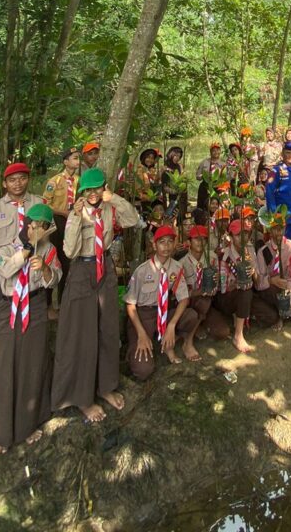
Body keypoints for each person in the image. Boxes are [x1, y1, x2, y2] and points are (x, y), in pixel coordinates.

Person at [51, 168, 139, 423]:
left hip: (105, 267)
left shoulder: (109, 208)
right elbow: (69, 251)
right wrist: (76, 217)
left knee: (107, 329)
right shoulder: (77, 212)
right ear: (82, 191)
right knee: (82, 334)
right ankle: (82, 398)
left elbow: (132, 220)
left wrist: (115, 198)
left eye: (97, 188)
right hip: (82, 270)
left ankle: (106, 386)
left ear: (104, 188)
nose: (93, 193)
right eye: (88, 189)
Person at [0, 202, 61, 453]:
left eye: (43, 226)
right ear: (26, 225)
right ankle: (3, 433)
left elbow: (56, 279)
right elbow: (4, 269)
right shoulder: (5, 247)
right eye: (33, 225)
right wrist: (26, 252)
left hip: (36, 306)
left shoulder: (49, 250)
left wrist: (45, 269)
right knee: (6, 365)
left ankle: (29, 424)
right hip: (9, 307)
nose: (36, 229)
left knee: (33, 363)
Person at [0, 162, 43, 367]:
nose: (18, 183)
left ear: (28, 179)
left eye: (22, 178)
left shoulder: (40, 204)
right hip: (1, 273)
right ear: (4, 184)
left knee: (31, 320)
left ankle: (27, 367)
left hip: (31, 269)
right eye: (12, 180)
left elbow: (49, 240)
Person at [124, 226, 201, 380]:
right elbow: (130, 305)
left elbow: (184, 299)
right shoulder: (142, 271)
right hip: (144, 316)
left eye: (170, 242)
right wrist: (141, 334)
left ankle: (168, 342)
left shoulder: (177, 268)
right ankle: (144, 343)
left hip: (165, 312)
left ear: (174, 244)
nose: (166, 246)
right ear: (154, 245)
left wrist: (171, 325)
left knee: (191, 316)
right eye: (162, 242)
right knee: (143, 370)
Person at [207, 218, 258, 353]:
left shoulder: (250, 250)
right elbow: (223, 289)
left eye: (245, 234)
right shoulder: (224, 256)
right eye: (238, 235)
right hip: (226, 297)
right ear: (231, 236)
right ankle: (238, 335)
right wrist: (239, 280)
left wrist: (252, 272)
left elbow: (258, 281)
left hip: (243, 294)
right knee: (245, 290)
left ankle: (240, 316)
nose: (242, 238)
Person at [252, 212, 291, 327]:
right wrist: (271, 281)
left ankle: (282, 310)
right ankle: (279, 314)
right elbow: (259, 283)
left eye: (281, 228)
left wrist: (289, 297)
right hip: (269, 288)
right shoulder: (263, 251)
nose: (279, 232)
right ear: (270, 230)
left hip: (286, 287)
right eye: (275, 229)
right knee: (271, 294)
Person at [43, 145, 80, 314]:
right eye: (74, 158)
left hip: (72, 221)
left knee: (67, 261)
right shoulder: (55, 181)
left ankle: (63, 302)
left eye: (78, 158)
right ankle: (48, 304)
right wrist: (62, 212)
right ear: (65, 162)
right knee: (53, 258)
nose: (77, 161)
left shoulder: (79, 180)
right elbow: (46, 203)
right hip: (58, 221)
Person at [180, 224, 216, 337]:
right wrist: (200, 291)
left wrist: (215, 284)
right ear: (189, 242)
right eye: (196, 239)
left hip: (209, 302)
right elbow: (182, 294)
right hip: (191, 304)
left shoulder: (212, 258)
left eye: (203, 239)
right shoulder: (181, 264)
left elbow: (217, 283)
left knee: (222, 332)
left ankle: (202, 322)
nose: (200, 242)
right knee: (202, 302)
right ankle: (193, 330)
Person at [196, 143, 228, 211]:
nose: (216, 152)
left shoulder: (223, 164)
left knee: (218, 206)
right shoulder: (204, 162)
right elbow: (197, 176)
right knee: (202, 206)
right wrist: (204, 176)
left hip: (218, 187)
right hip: (206, 186)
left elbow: (226, 178)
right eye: (214, 150)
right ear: (210, 152)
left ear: (220, 151)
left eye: (217, 150)